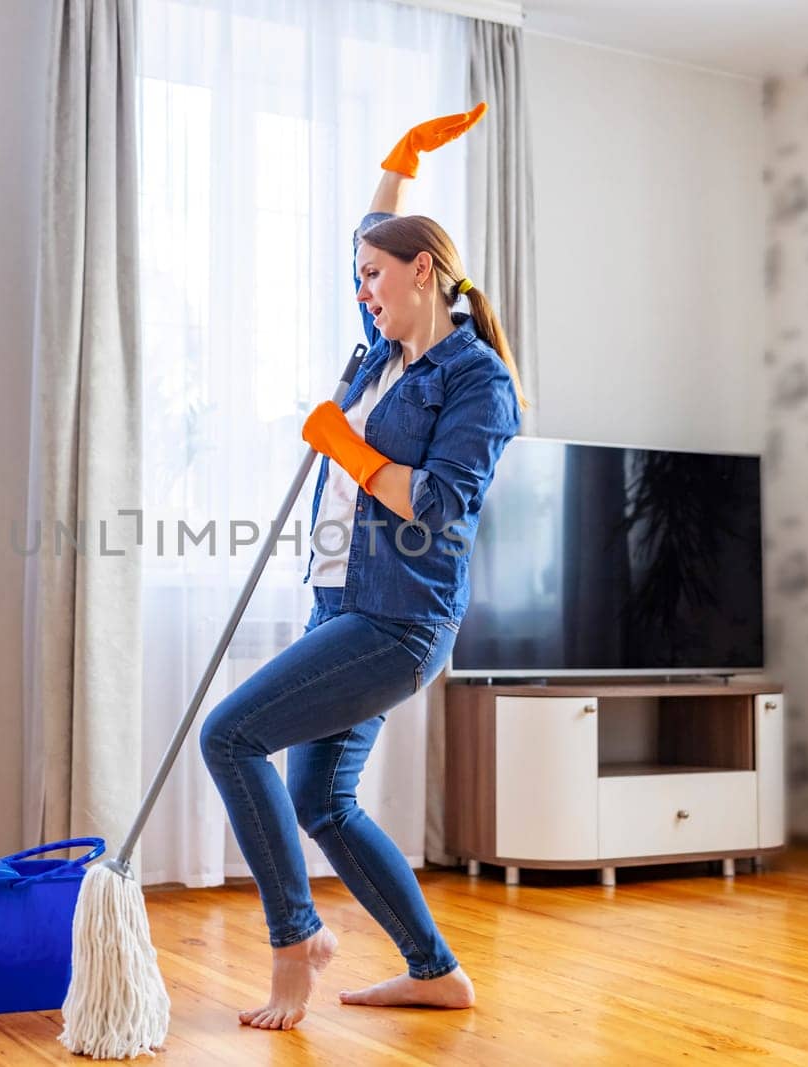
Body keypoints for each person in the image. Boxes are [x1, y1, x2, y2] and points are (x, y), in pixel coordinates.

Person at [197, 103, 527, 1032]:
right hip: (340, 604)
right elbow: (371, 238)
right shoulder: (386, 349)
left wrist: (345, 446)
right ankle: (434, 971)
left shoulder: (475, 380)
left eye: (375, 276)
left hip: (397, 622)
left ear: (425, 273)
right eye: (358, 280)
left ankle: (294, 939)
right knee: (321, 799)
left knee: (230, 737)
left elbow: (438, 503)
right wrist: (397, 169)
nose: (364, 291)